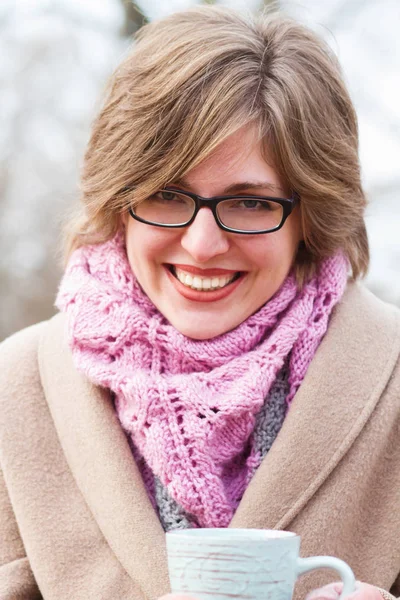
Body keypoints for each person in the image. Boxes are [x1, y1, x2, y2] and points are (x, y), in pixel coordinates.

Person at [0, 5, 399, 600]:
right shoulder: (19, 389)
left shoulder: (391, 379)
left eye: (252, 203)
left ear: (310, 216)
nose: (203, 245)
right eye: (165, 194)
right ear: (116, 199)